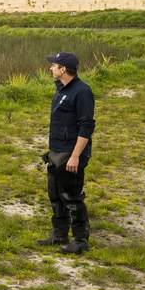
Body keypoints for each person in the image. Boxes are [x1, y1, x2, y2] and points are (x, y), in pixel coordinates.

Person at [36, 51, 96, 254]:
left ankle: (81, 241)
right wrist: (52, 151)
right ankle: (60, 233)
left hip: (72, 154)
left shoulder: (81, 92)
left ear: (63, 69)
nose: (51, 68)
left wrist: (75, 156)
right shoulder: (61, 90)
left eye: (54, 65)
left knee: (72, 196)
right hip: (57, 152)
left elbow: (86, 125)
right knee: (55, 195)